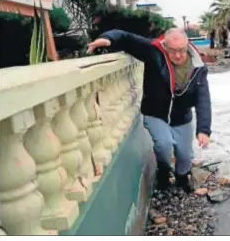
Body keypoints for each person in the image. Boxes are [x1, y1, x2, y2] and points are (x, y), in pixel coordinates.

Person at [86, 28, 212, 193]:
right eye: (173, 51)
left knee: (185, 155)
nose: (178, 55)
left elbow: (203, 100)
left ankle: (182, 176)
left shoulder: (198, 68)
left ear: (187, 45)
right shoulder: (154, 53)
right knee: (164, 145)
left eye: (182, 50)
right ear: (165, 47)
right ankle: (164, 172)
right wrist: (107, 39)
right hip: (156, 114)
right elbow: (127, 37)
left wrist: (203, 130)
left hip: (182, 117)